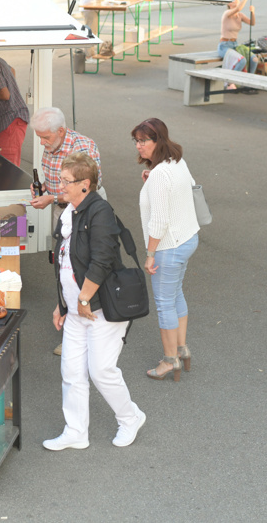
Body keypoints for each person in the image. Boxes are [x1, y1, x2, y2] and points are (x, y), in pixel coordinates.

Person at [43, 151, 146, 451]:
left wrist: (85, 297)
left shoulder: (100, 212)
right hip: (76, 309)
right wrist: (62, 303)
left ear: (85, 184)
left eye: (65, 181)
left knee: (101, 370)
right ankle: (76, 431)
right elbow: (64, 263)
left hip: (100, 307)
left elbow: (101, 260)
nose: (59, 185)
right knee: (72, 372)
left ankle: (130, 417)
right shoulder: (69, 212)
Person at [29, 106, 105, 356]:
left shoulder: (83, 148)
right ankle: (71, 323)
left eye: (45, 138)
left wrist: (51, 198)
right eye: (39, 137)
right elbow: (51, 179)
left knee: (82, 269)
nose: (42, 142)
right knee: (64, 268)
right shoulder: (52, 143)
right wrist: (40, 189)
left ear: (61, 131)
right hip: (62, 211)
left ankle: (86, 333)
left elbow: (86, 191)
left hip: (85, 214)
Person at [134, 118, 199, 382]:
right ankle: (182, 349)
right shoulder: (175, 161)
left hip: (169, 246)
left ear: (158, 141)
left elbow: (158, 221)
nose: (139, 146)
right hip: (187, 238)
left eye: (144, 141)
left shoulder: (160, 173)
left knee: (164, 303)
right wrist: (152, 179)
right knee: (175, 294)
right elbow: (189, 185)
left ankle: (170, 359)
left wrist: (150, 254)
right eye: (136, 141)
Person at [218, 0, 257, 85]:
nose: (235, 2)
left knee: (254, 59)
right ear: (229, 4)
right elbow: (239, 8)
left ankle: (248, 83)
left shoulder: (240, 15)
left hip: (235, 45)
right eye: (232, 0)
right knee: (242, 60)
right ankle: (230, 83)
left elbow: (252, 23)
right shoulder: (227, 13)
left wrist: (252, 12)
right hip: (224, 46)